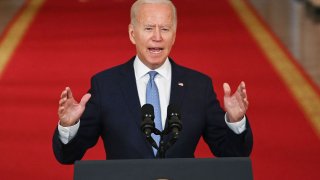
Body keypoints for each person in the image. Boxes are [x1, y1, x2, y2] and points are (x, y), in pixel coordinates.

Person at [53, 0, 253, 164]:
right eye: (149, 28)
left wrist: (235, 122)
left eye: (165, 29)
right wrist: (68, 126)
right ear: (133, 34)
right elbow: (69, 155)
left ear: (174, 35)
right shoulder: (105, 85)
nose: (157, 37)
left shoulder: (198, 86)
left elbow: (231, 153)